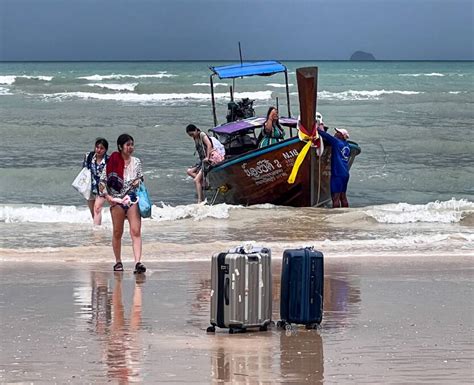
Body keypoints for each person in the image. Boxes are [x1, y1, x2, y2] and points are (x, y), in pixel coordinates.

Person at [99, 134, 146, 273]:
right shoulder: (112, 161)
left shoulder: (136, 162)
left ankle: (138, 262)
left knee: (136, 231)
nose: (130, 147)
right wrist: (108, 197)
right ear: (120, 147)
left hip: (132, 199)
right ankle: (118, 262)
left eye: (132, 144)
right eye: (128, 145)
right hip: (116, 200)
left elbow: (140, 179)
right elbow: (102, 182)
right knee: (117, 232)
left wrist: (137, 182)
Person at [317, 127, 352, 208]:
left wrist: (316, 129)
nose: (335, 133)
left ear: (341, 135)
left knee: (335, 197)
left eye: (337, 132)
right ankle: (346, 213)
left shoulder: (336, 142)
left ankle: (336, 216)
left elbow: (326, 135)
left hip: (337, 173)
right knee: (343, 196)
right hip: (345, 174)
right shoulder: (347, 145)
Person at [83, 138, 109, 225]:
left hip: (102, 187)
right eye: (97, 147)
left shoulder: (108, 160)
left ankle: (96, 230)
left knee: (97, 208)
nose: (99, 150)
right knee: (93, 210)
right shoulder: (89, 156)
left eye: (101, 148)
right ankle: (97, 226)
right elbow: (84, 170)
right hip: (90, 186)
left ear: (105, 150)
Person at [186, 124, 213, 203]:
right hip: (202, 160)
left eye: (192, 134)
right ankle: (205, 183)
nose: (191, 136)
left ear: (196, 130)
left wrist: (208, 157)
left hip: (208, 160)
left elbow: (209, 145)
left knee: (196, 180)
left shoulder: (202, 135)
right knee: (189, 171)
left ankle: (200, 200)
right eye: (190, 135)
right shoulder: (195, 137)